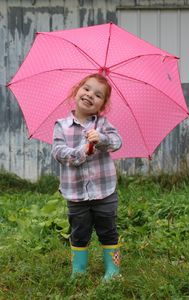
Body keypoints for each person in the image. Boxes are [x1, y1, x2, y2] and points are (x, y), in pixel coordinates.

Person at [52, 73, 122, 280]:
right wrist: (82, 152)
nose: (90, 95)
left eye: (98, 95)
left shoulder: (102, 124)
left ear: (102, 105)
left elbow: (117, 142)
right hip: (76, 193)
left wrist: (100, 139)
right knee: (79, 232)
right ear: (76, 91)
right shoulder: (61, 125)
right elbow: (58, 152)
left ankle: (113, 270)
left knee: (108, 230)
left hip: (104, 191)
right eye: (86, 89)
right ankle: (79, 270)